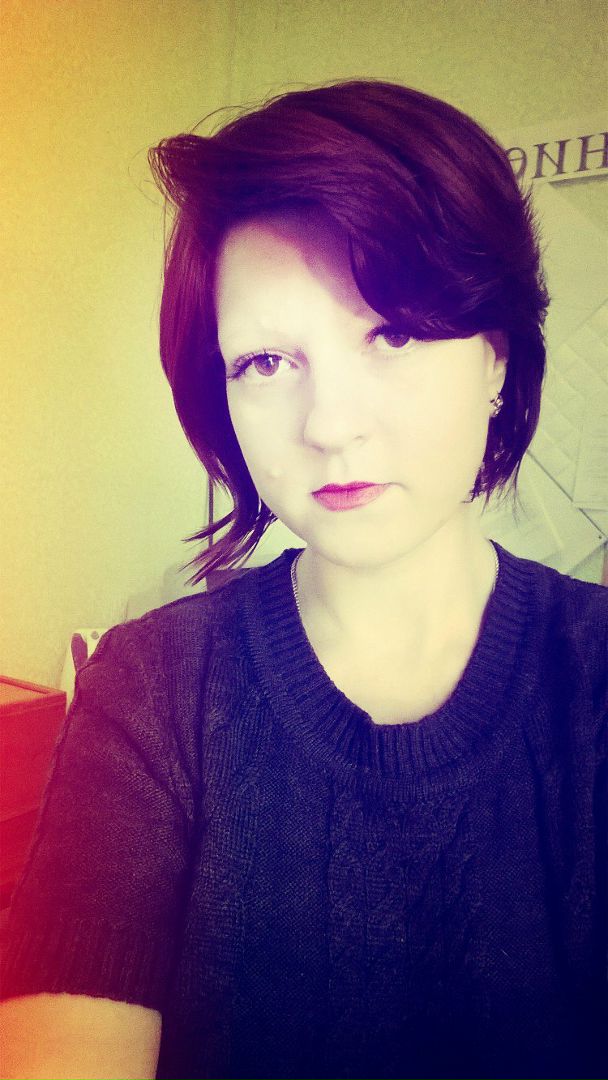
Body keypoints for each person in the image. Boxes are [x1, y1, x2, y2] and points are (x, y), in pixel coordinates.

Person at [0, 78, 606, 1080]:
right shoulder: (149, 689)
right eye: (266, 363)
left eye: (392, 334)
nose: (327, 425)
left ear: (495, 358)